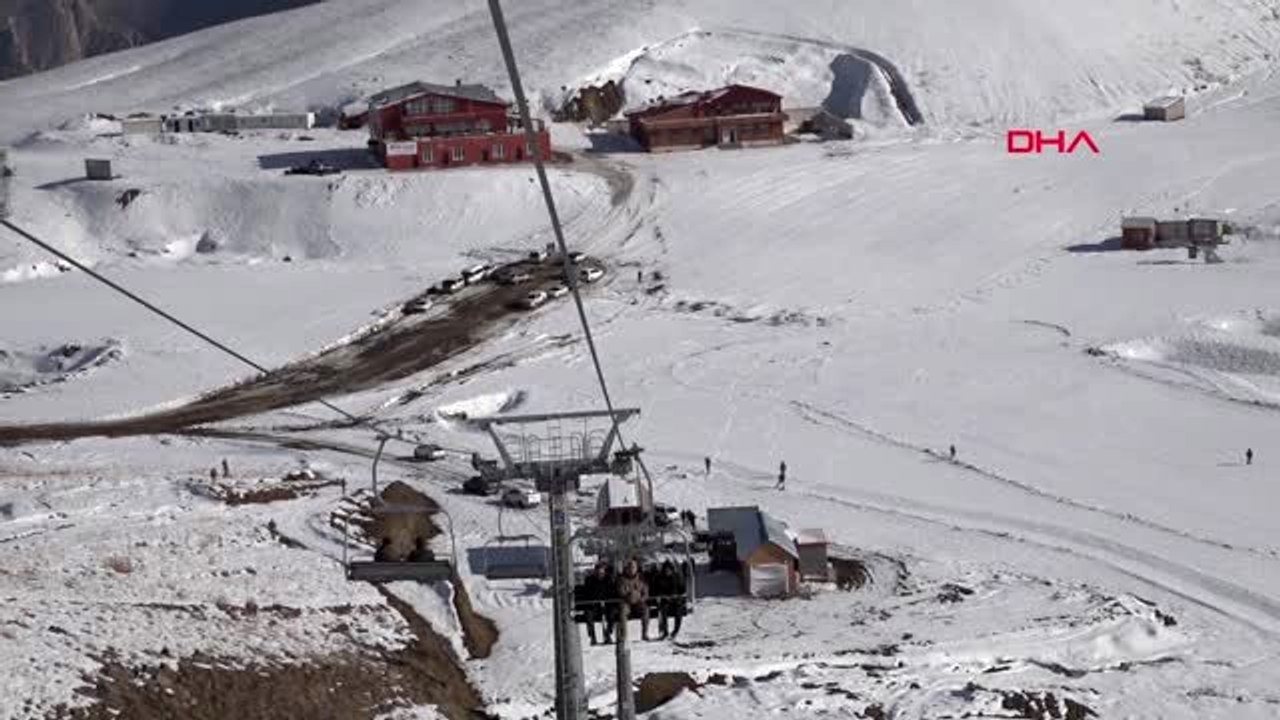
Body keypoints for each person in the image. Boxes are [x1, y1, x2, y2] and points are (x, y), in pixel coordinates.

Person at [617, 559, 651, 641]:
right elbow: (621, 592)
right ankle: (624, 635)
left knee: (645, 610)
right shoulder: (622, 579)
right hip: (627, 603)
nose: (631, 569)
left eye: (633, 567)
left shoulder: (641, 579)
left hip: (638, 602)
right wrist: (629, 596)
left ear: (636, 568)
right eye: (630, 567)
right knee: (622, 611)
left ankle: (645, 633)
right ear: (627, 569)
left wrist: (640, 598)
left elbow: (645, 593)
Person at [655, 560, 688, 640]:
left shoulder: (676, 577)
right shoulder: (660, 578)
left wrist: (678, 596)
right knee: (663, 609)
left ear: (672, 570)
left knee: (678, 609)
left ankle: (675, 630)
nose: (667, 571)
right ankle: (665, 631)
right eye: (666, 570)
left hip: (675, 599)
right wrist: (662, 595)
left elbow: (682, 589)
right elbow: (657, 589)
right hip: (665, 600)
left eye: (669, 570)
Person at [582, 562, 609, 645]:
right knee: (589, 614)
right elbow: (588, 593)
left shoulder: (607, 580)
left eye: (602, 572)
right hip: (593, 606)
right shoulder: (590, 580)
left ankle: (607, 635)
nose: (600, 573)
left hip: (605, 606)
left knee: (609, 614)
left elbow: (609, 593)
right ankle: (592, 637)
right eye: (598, 571)